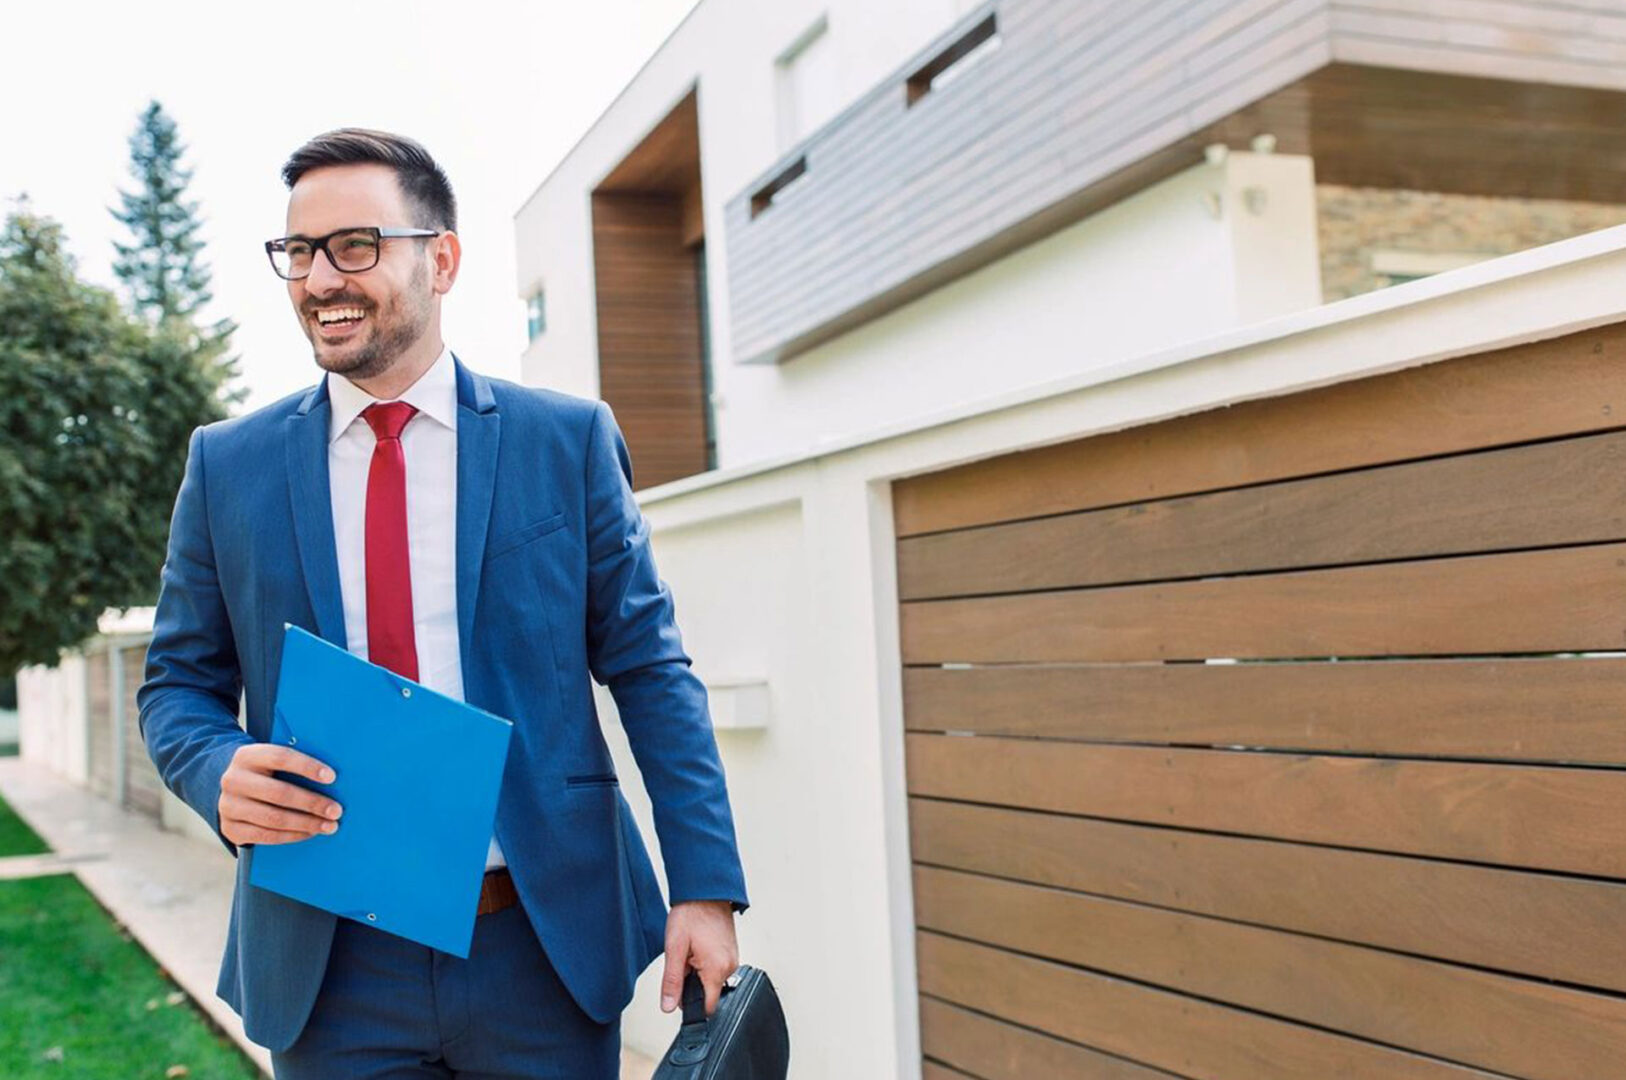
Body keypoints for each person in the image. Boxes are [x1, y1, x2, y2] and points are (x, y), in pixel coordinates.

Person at [137, 128, 748, 1079]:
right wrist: (214, 766)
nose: (319, 278)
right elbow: (176, 683)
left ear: (442, 258)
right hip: (328, 963)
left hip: (539, 949)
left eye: (355, 246)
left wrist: (705, 887)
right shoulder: (229, 467)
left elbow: (650, 669)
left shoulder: (566, 441)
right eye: (297, 253)